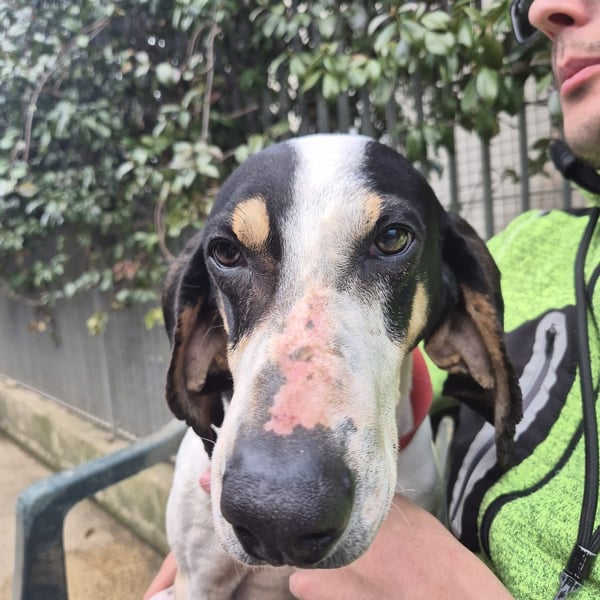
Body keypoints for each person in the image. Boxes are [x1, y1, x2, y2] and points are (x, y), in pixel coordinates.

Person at [147, 0, 600, 597]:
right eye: (233, 255)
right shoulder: (528, 247)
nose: (545, 7)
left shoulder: (452, 288)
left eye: (389, 241)